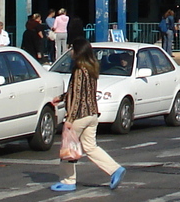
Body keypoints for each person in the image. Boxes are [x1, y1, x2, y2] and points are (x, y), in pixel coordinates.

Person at [50, 39, 124, 192]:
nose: (70, 51)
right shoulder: (92, 68)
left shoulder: (78, 70)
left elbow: (77, 96)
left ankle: (68, 180)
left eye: (72, 48)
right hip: (92, 114)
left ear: (78, 52)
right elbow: (82, 91)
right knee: (91, 147)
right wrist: (62, 97)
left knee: (68, 149)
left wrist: (69, 119)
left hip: (79, 116)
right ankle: (115, 169)